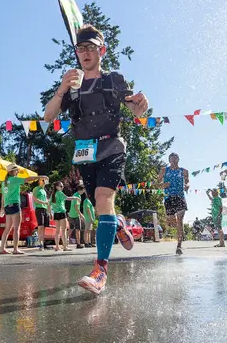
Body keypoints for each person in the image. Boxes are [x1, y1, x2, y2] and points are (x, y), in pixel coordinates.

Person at [44, 24, 148, 295]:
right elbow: (47, 116)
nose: (86, 53)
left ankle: (100, 270)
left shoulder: (113, 80)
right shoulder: (72, 84)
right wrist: (61, 89)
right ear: (77, 52)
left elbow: (135, 109)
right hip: (84, 153)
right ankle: (120, 223)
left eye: (91, 48)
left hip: (112, 147)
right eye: (81, 49)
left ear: (101, 50)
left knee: (103, 198)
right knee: (102, 205)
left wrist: (140, 104)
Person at [0, 164, 47, 255]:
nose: (17, 172)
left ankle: (2, 248)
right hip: (15, 205)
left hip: (7, 206)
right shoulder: (14, 179)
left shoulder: (3, 182)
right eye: (16, 170)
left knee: (7, 229)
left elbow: (3, 196)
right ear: (12, 172)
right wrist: (40, 177)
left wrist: (2, 207)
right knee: (17, 228)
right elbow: (28, 179)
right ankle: (15, 249)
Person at [158, 153, 190, 255]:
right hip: (168, 198)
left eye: (175, 160)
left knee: (180, 220)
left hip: (180, 197)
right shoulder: (164, 170)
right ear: (169, 161)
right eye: (172, 160)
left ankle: (179, 246)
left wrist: (186, 186)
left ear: (178, 159)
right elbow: (156, 184)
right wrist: (163, 185)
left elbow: (187, 182)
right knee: (172, 222)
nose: (174, 162)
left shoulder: (184, 171)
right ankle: (179, 232)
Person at [51, 181, 75, 252]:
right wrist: (75, 198)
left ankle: (57, 246)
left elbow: (49, 205)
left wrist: (50, 213)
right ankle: (65, 247)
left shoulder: (53, 194)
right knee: (64, 230)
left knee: (57, 231)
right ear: (57, 187)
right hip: (61, 213)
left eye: (62, 186)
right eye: (61, 186)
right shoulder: (59, 193)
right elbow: (67, 198)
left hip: (56, 213)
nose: (62, 187)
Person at [32, 178, 51, 250]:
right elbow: (35, 199)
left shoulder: (44, 190)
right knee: (40, 226)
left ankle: (43, 243)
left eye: (45, 181)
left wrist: (49, 211)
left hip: (45, 209)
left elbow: (47, 201)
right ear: (39, 181)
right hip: (39, 209)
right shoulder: (36, 189)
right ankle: (40, 244)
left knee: (44, 227)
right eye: (43, 180)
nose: (45, 182)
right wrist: (44, 203)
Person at [69, 184, 86, 249]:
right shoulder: (78, 196)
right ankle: (78, 244)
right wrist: (81, 215)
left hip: (71, 214)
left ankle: (65, 241)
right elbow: (76, 206)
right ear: (82, 189)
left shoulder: (75, 194)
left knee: (70, 229)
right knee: (78, 229)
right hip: (76, 215)